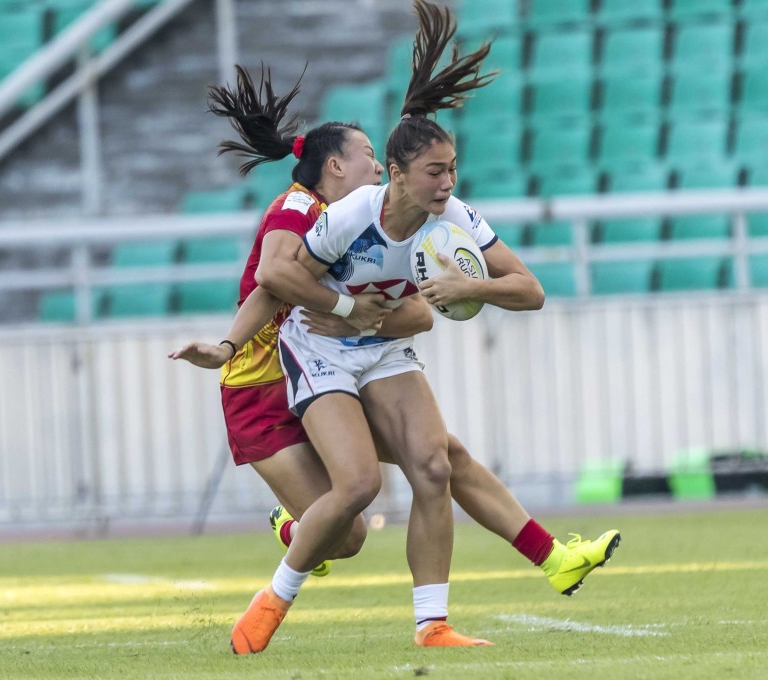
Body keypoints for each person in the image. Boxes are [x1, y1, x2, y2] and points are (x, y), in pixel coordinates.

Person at [180, 0, 620, 655]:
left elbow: (526, 290)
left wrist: (468, 288)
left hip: (381, 353)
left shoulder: (457, 218)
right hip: (311, 356)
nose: (448, 183)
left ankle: (439, 621)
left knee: (437, 465)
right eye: (434, 172)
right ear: (399, 172)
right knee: (357, 498)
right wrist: (230, 343)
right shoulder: (341, 213)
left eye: (451, 170)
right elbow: (278, 282)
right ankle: (275, 595)